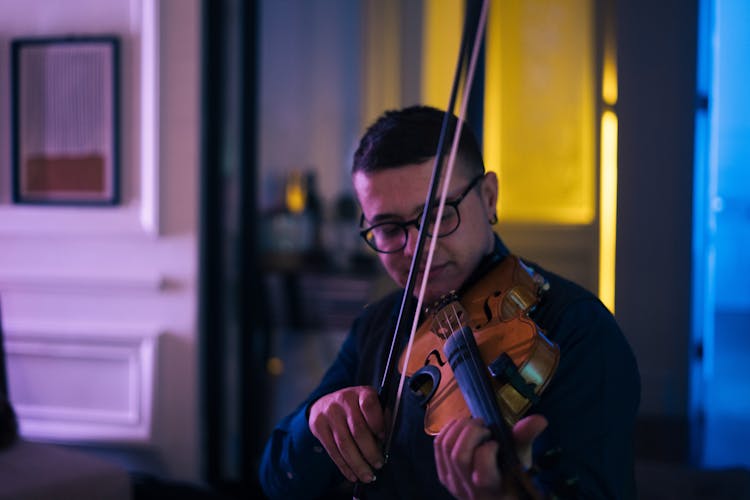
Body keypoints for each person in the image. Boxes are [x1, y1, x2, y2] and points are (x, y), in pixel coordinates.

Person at [258, 105, 641, 499]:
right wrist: (316, 420)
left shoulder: (576, 329)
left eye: (438, 215)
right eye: (389, 228)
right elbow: (275, 479)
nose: (418, 248)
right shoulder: (380, 323)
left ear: (489, 198)